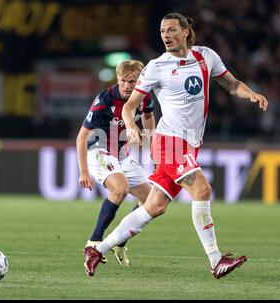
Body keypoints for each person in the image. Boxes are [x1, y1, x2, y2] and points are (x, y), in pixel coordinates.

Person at [84, 12, 268, 278]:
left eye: (171, 30)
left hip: (190, 144)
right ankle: (216, 261)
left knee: (154, 207)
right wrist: (133, 126)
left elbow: (231, 84)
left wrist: (249, 93)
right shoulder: (156, 67)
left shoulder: (206, 56)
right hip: (169, 142)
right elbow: (130, 107)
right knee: (202, 190)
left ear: (185, 31)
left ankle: (98, 249)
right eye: (162, 31)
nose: (166, 36)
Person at [76, 60, 155, 266]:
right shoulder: (104, 99)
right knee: (120, 189)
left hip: (123, 155)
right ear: (117, 79)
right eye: (124, 81)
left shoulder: (144, 95)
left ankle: (119, 242)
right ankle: (93, 242)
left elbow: (148, 115)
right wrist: (83, 171)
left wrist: (151, 144)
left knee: (151, 200)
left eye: (133, 81)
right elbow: (82, 136)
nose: (128, 86)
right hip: (100, 151)